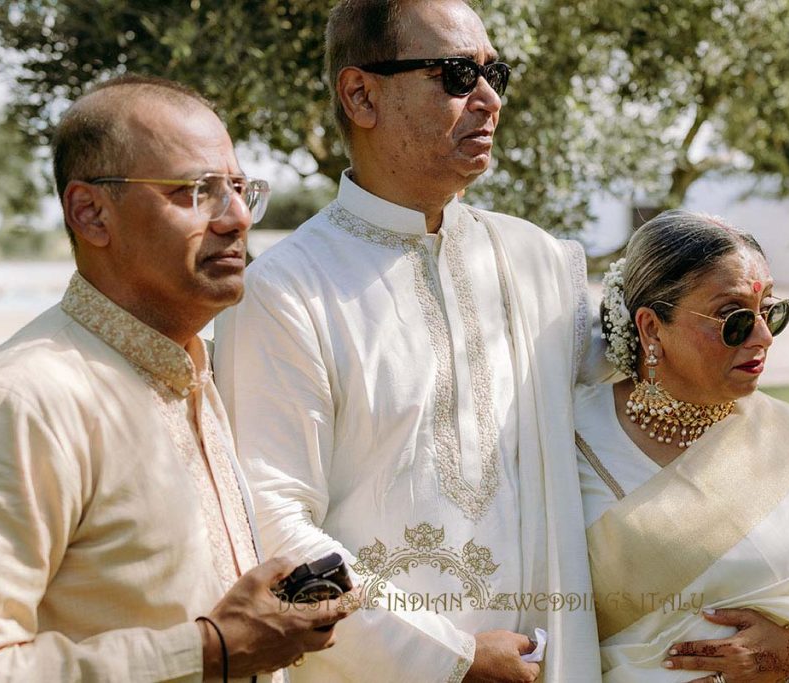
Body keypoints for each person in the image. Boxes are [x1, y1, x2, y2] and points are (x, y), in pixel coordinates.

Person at [213, 0, 600, 680]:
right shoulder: (285, 291)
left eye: (495, 74)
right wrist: (449, 659)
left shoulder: (537, 262)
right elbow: (272, 519)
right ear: (361, 95)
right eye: (455, 75)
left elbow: (625, 422)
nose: (487, 99)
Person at [0, 75, 354, 682]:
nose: (236, 219)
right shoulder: (23, 404)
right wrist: (210, 651)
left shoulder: (196, 375)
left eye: (239, 189)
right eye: (197, 192)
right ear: (90, 212)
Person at [574, 210, 789, 682]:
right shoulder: (566, 441)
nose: (764, 337)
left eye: (771, 312)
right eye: (733, 319)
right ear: (651, 328)